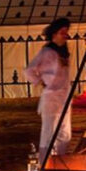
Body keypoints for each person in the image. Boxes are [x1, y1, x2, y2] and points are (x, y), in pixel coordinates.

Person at [23, 17, 72, 162]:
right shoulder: (47, 51)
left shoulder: (64, 51)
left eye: (66, 32)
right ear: (54, 34)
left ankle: (60, 160)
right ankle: (44, 163)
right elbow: (29, 70)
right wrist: (41, 81)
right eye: (62, 32)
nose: (65, 35)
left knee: (64, 132)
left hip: (64, 97)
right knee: (48, 132)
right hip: (51, 97)